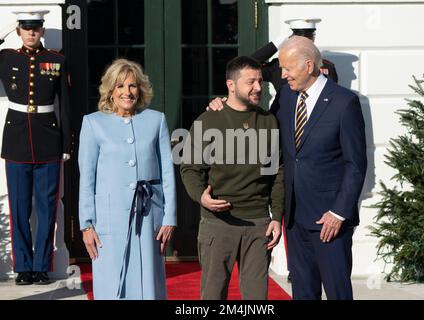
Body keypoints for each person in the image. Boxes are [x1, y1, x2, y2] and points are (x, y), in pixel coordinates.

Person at [208, 38, 366, 300]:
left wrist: (338, 213)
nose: (282, 75)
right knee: (303, 293)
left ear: (308, 65)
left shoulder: (344, 102)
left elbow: (356, 165)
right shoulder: (286, 97)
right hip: (294, 219)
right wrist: (224, 103)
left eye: (287, 69)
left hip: (330, 220)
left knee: (338, 293)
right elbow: (256, 121)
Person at [180, 56, 284, 300]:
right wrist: (201, 198)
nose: (258, 87)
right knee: (213, 296)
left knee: (257, 299)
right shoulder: (208, 121)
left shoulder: (269, 121)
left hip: (258, 224)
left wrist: (276, 216)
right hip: (217, 224)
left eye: (260, 81)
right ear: (231, 85)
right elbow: (190, 169)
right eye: (251, 82)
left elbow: (278, 172)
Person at [78, 59, 176, 300]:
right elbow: (86, 178)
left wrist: (169, 216)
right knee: (112, 286)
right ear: (111, 91)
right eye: (120, 86)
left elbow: (167, 173)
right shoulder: (93, 123)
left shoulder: (156, 120)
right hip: (108, 221)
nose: (127, 92)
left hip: (148, 216)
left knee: (148, 286)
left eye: (132, 86)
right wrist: (86, 224)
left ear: (140, 89)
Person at [0, 11, 71, 285]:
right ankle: (23, 268)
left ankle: (42, 266)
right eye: (26, 28)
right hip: (17, 142)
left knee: (46, 209)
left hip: (48, 142)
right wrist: (5, 29)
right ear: (20, 30)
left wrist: (66, 143)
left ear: (42, 30)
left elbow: (64, 104)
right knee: (18, 209)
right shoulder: (7, 59)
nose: (31, 33)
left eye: (36, 28)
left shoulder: (56, 60)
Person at [251, 18, 338, 92]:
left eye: (307, 39)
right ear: (291, 39)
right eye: (298, 38)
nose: (302, 43)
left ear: (313, 39)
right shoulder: (278, 66)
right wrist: (276, 44)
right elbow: (249, 65)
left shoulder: (326, 67)